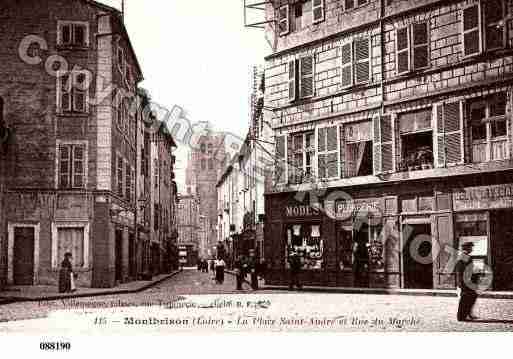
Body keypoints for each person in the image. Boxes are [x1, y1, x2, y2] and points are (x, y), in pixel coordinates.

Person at [456, 242, 479, 322]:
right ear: (467, 248)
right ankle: (461, 316)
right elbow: (465, 271)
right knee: (466, 298)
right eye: (471, 247)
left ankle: (466, 314)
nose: (472, 249)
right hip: (466, 282)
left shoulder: (464, 256)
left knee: (470, 297)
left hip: (465, 281)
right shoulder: (464, 256)